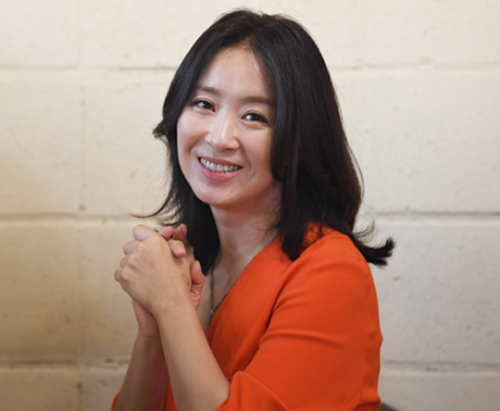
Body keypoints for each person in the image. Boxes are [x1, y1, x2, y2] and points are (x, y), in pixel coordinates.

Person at [113, 9, 394, 411]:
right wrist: (154, 333)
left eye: (254, 116)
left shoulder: (332, 271)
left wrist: (171, 307)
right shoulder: (192, 261)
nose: (219, 138)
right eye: (204, 103)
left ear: (299, 141)